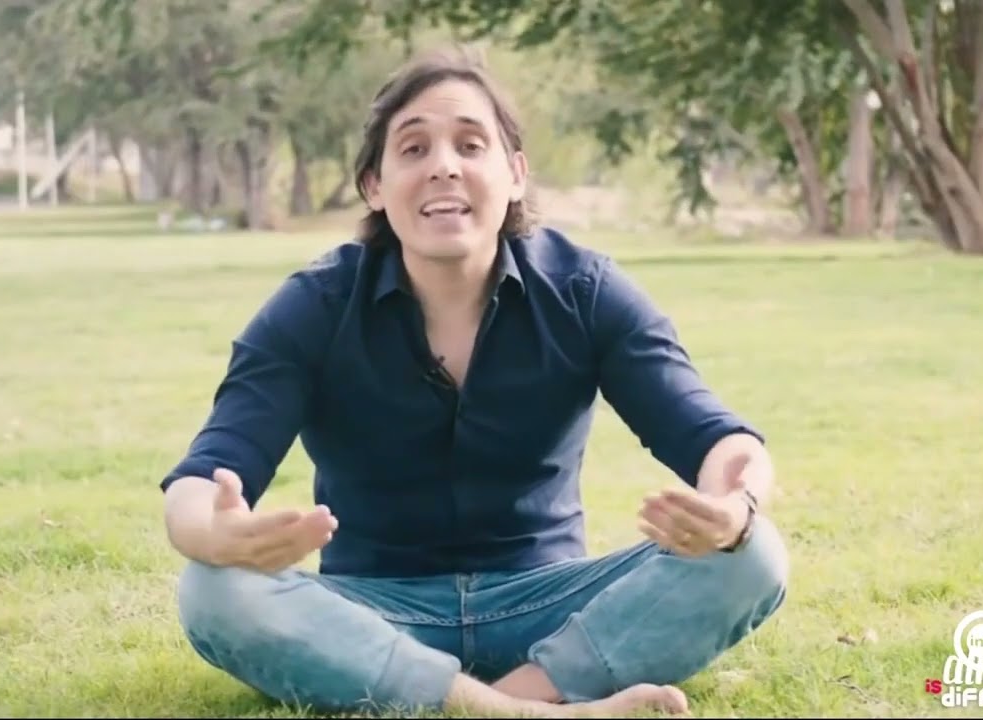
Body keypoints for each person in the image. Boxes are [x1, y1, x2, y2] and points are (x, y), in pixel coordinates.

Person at [159, 47, 789, 718]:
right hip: (377, 616)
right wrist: (216, 535)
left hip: (549, 608)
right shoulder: (315, 304)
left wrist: (735, 505)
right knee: (213, 590)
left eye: (470, 144)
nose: (444, 166)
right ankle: (521, 711)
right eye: (413, 148)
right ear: (374, 186)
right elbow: (203, 478)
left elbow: (716, 437)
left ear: (515, 174)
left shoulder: (583, 290)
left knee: (753, 555)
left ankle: (502, 699)